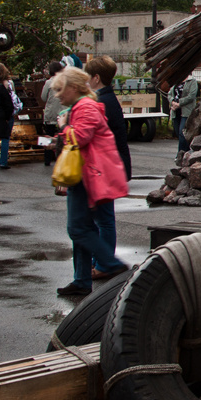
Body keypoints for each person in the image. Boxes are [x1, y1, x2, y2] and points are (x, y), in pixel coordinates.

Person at [50, 66, 129, 297]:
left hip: (88, 175)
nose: (57, 95)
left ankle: (110, 264)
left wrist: (63, 127)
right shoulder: (82, 105)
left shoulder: (84, 107)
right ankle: (82, 280)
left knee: (78, 228)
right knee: (83, 228)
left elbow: (80, 137)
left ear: (74, 88)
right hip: (87, 174)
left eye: (60, 89)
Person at [0, 63, 22, 170]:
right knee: (6, 138)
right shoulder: (9, 83)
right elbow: (13, 98)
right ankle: (3, 162)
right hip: (8, 113)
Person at [41, 60, 65, 167]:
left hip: (51, 112)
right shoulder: (66, 81)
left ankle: (47, 158)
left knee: (48, 135)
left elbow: (43, 97)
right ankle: (60, 157)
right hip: (63, 112)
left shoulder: (48, 82)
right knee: (62, 135)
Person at [169, 74, 199, 160]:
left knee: (183, 133)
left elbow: (191, 96)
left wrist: (179, 103)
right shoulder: (176, 81)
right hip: (176, 111)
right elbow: (170, 94)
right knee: (178, 132)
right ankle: (186, 152)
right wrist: (172, 102)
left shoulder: (192, 81)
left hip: (186, 111)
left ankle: (180, 155)